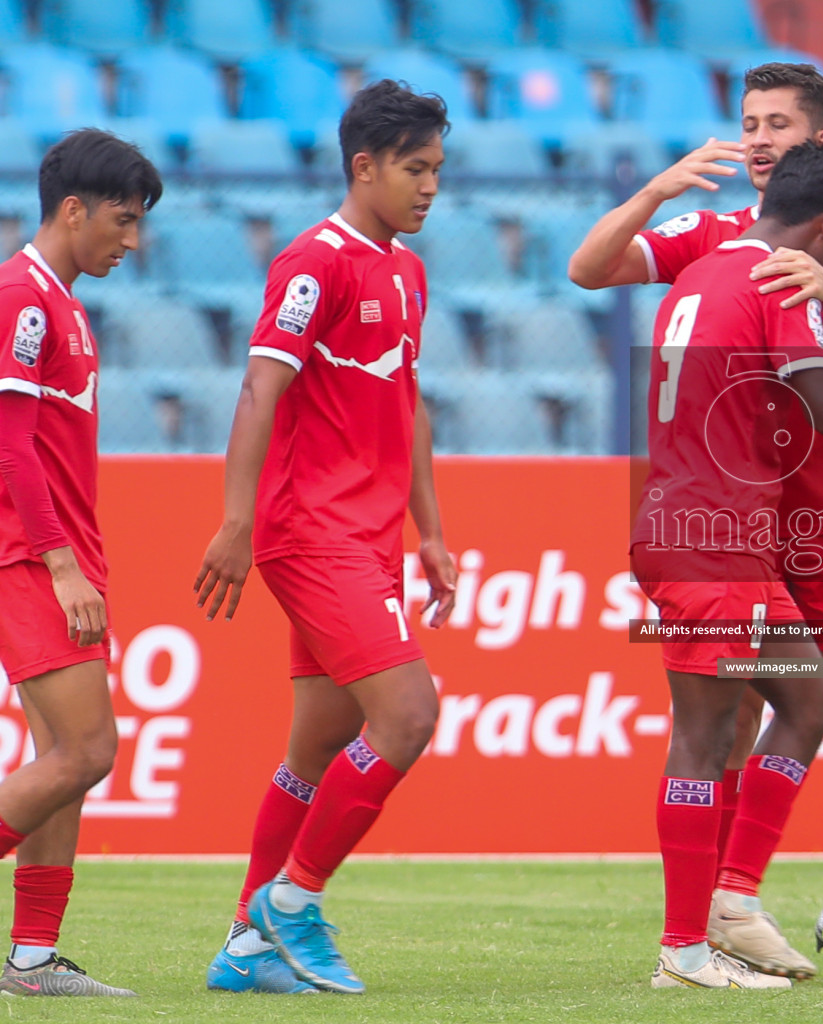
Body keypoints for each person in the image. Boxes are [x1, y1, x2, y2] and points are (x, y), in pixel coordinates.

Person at [571, 62, 823, 980]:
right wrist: (653, 190)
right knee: (726, 724)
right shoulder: (733, 246)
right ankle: (708, 922)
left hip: (808, 523)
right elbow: (589, 268)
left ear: (822, 144)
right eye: (749, 122)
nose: (757, 139)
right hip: (726, 525)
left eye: (778, 125)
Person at [195, 80, 456, 995]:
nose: (430, 187)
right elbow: (261, 387)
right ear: (365, 166)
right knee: (410, 716)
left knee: (316, 747)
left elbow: (408, 403)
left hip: (371, 536)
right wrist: (236, 519)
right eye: (416, 169)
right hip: (312, 534)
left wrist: (430, 529)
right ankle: (293, 903)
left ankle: (245, 945)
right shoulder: (317, 262)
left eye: (437, 170)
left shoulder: (408, 271)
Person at [0, 128, 161, 997]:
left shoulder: (61, 302)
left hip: (58, 554)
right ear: (73, 210)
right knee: (88, 750)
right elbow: (12, 447)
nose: (131, 242)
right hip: (29, 557)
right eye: (123, 221)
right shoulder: (23, 297)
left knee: (59, 751)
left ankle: (30, 959)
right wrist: (60, 563)